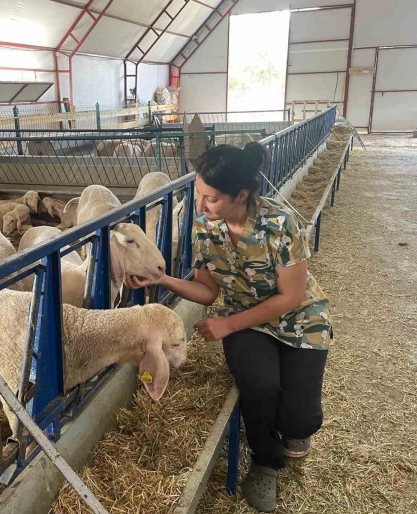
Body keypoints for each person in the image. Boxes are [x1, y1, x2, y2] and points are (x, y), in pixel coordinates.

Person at [126, 142, 332, 512]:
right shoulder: (205, 228)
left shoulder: (280, 223)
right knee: (260, 386)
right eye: (198, 194)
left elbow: (291, 296)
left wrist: (227, 324)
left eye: (211, 199)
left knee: (300, 420)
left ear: (241, 195)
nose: (201, 206)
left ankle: (295, 428)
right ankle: (265, 462)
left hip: (300, 320)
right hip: (247, 324)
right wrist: (162, 279)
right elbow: (207, 291)